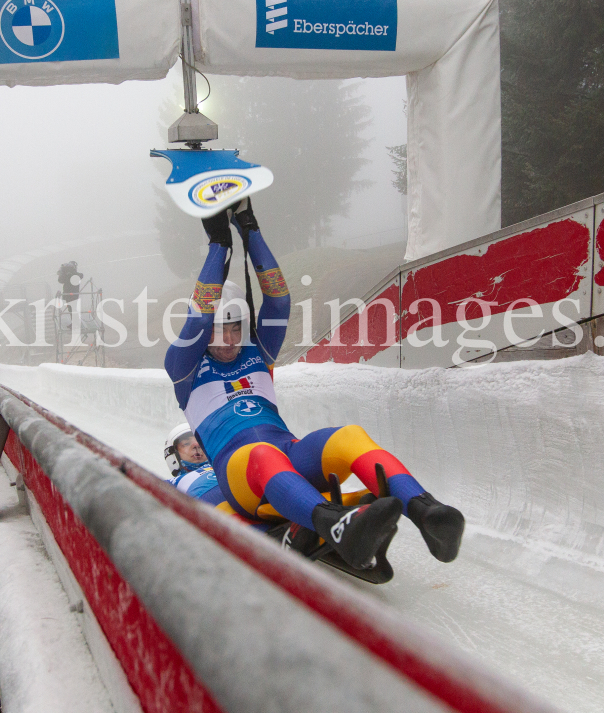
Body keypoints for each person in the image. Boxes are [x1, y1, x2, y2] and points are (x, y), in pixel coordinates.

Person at [164, 200, 464, 570]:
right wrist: (219, 246)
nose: (225, 338)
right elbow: (197, 317)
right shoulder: (185, 368)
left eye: (233, 328)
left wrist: (250, 227)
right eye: (216, 329)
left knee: (348, 437)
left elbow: (278, 297)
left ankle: (428, 512)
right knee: (262, 454)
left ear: (244, 327)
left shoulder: (257, 353)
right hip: (240, 472)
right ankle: (334, 524)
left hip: (286, 451)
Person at [164, 423, 225, 503]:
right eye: (186, 443)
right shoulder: (171, 485)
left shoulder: (227, 468)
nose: (196, 445)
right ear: (173, 454)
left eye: (201, 442)